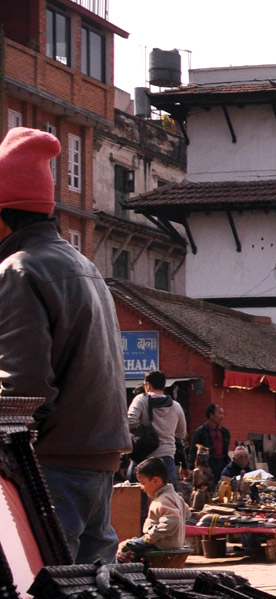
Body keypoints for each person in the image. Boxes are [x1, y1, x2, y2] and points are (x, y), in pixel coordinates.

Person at [0, 129, 134, 565]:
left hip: (51, 465)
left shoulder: (19, 269)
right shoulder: (84, 266)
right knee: (94, 582)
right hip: (98, 459)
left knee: (50, 579)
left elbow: (21, 392)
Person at [115, 458, 187, 564]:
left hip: (160, 544)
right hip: (166, 542)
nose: (141, 487)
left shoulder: (163, 500)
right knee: (131, 544)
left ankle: (129, 572)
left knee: (126, 548)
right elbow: (187, 513)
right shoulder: (176, 496)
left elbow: (172, 522)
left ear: (155, 481)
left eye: (143, 483)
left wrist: (151, 537)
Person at [125, 370, 188, 484]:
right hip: (167, 458)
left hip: (143, 457)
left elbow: (130, 422)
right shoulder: (176, 406)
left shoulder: (141, 400)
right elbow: (181, 434)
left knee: (137, 497)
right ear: (164, 385)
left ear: (147, 385)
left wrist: (142, 430)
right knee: (167, 498)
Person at [190, 403, 233, 481]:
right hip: (207, 464)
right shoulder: (200, 431)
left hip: (222, 463)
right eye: (219, 413)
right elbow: (193, 450)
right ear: (211, 415)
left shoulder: (225, 432)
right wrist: (191, 467)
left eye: (222, 414)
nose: (222, 416)